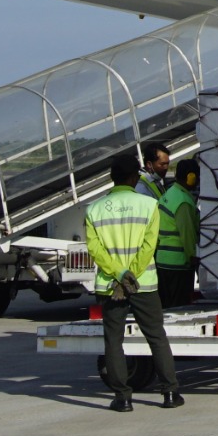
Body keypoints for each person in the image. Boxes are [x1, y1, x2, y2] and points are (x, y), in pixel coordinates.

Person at [85, 151, 180, 411]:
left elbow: (95, 250)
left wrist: (119, 276)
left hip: (110, 287)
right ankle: (170, 393)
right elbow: (149, 246)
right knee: (156, 337)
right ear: (134, 178)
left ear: (112, 178)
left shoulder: (93, 210)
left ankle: (122, 398)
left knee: (114, 341)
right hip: (144, 283)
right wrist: (131, 276)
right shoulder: (149, 206)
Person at [155, 157, 202, 309]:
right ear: (190, 177)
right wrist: (193, 257)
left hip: (163, 260)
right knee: (178, 307)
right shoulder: (183, 201)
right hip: (178, 263)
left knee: (166, 306)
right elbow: (187, 234)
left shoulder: (169, 194)